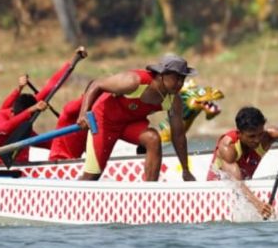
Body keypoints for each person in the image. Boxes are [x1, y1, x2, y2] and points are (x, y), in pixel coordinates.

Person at [75, 53, 196, 182]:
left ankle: (149, 192)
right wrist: (83, 115)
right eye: (176, 78)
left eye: (182, 79)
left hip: (130, 123)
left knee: (153, 139)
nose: (180, 84)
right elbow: (96, 84)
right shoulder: (133, 81)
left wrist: (186, 170)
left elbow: (178, 135)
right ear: (161, 75)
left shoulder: (174, 100)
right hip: (104, 121)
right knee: (92, 176)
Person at [0, 51, 86, 166]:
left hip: (17, 169)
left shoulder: (26, 118)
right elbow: (5, 128)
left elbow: (50, 87)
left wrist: (73, 61)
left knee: (56, 141)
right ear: (13, 113)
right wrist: (30, 110)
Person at [208, 106, 278, 219]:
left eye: (260, 134)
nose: (257, 140)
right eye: (251, 136)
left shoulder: (266, 137)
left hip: (245, 191)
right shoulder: (228, 147)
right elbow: (237, 182)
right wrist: (258, 204)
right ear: (239, 133)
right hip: (216, 195)